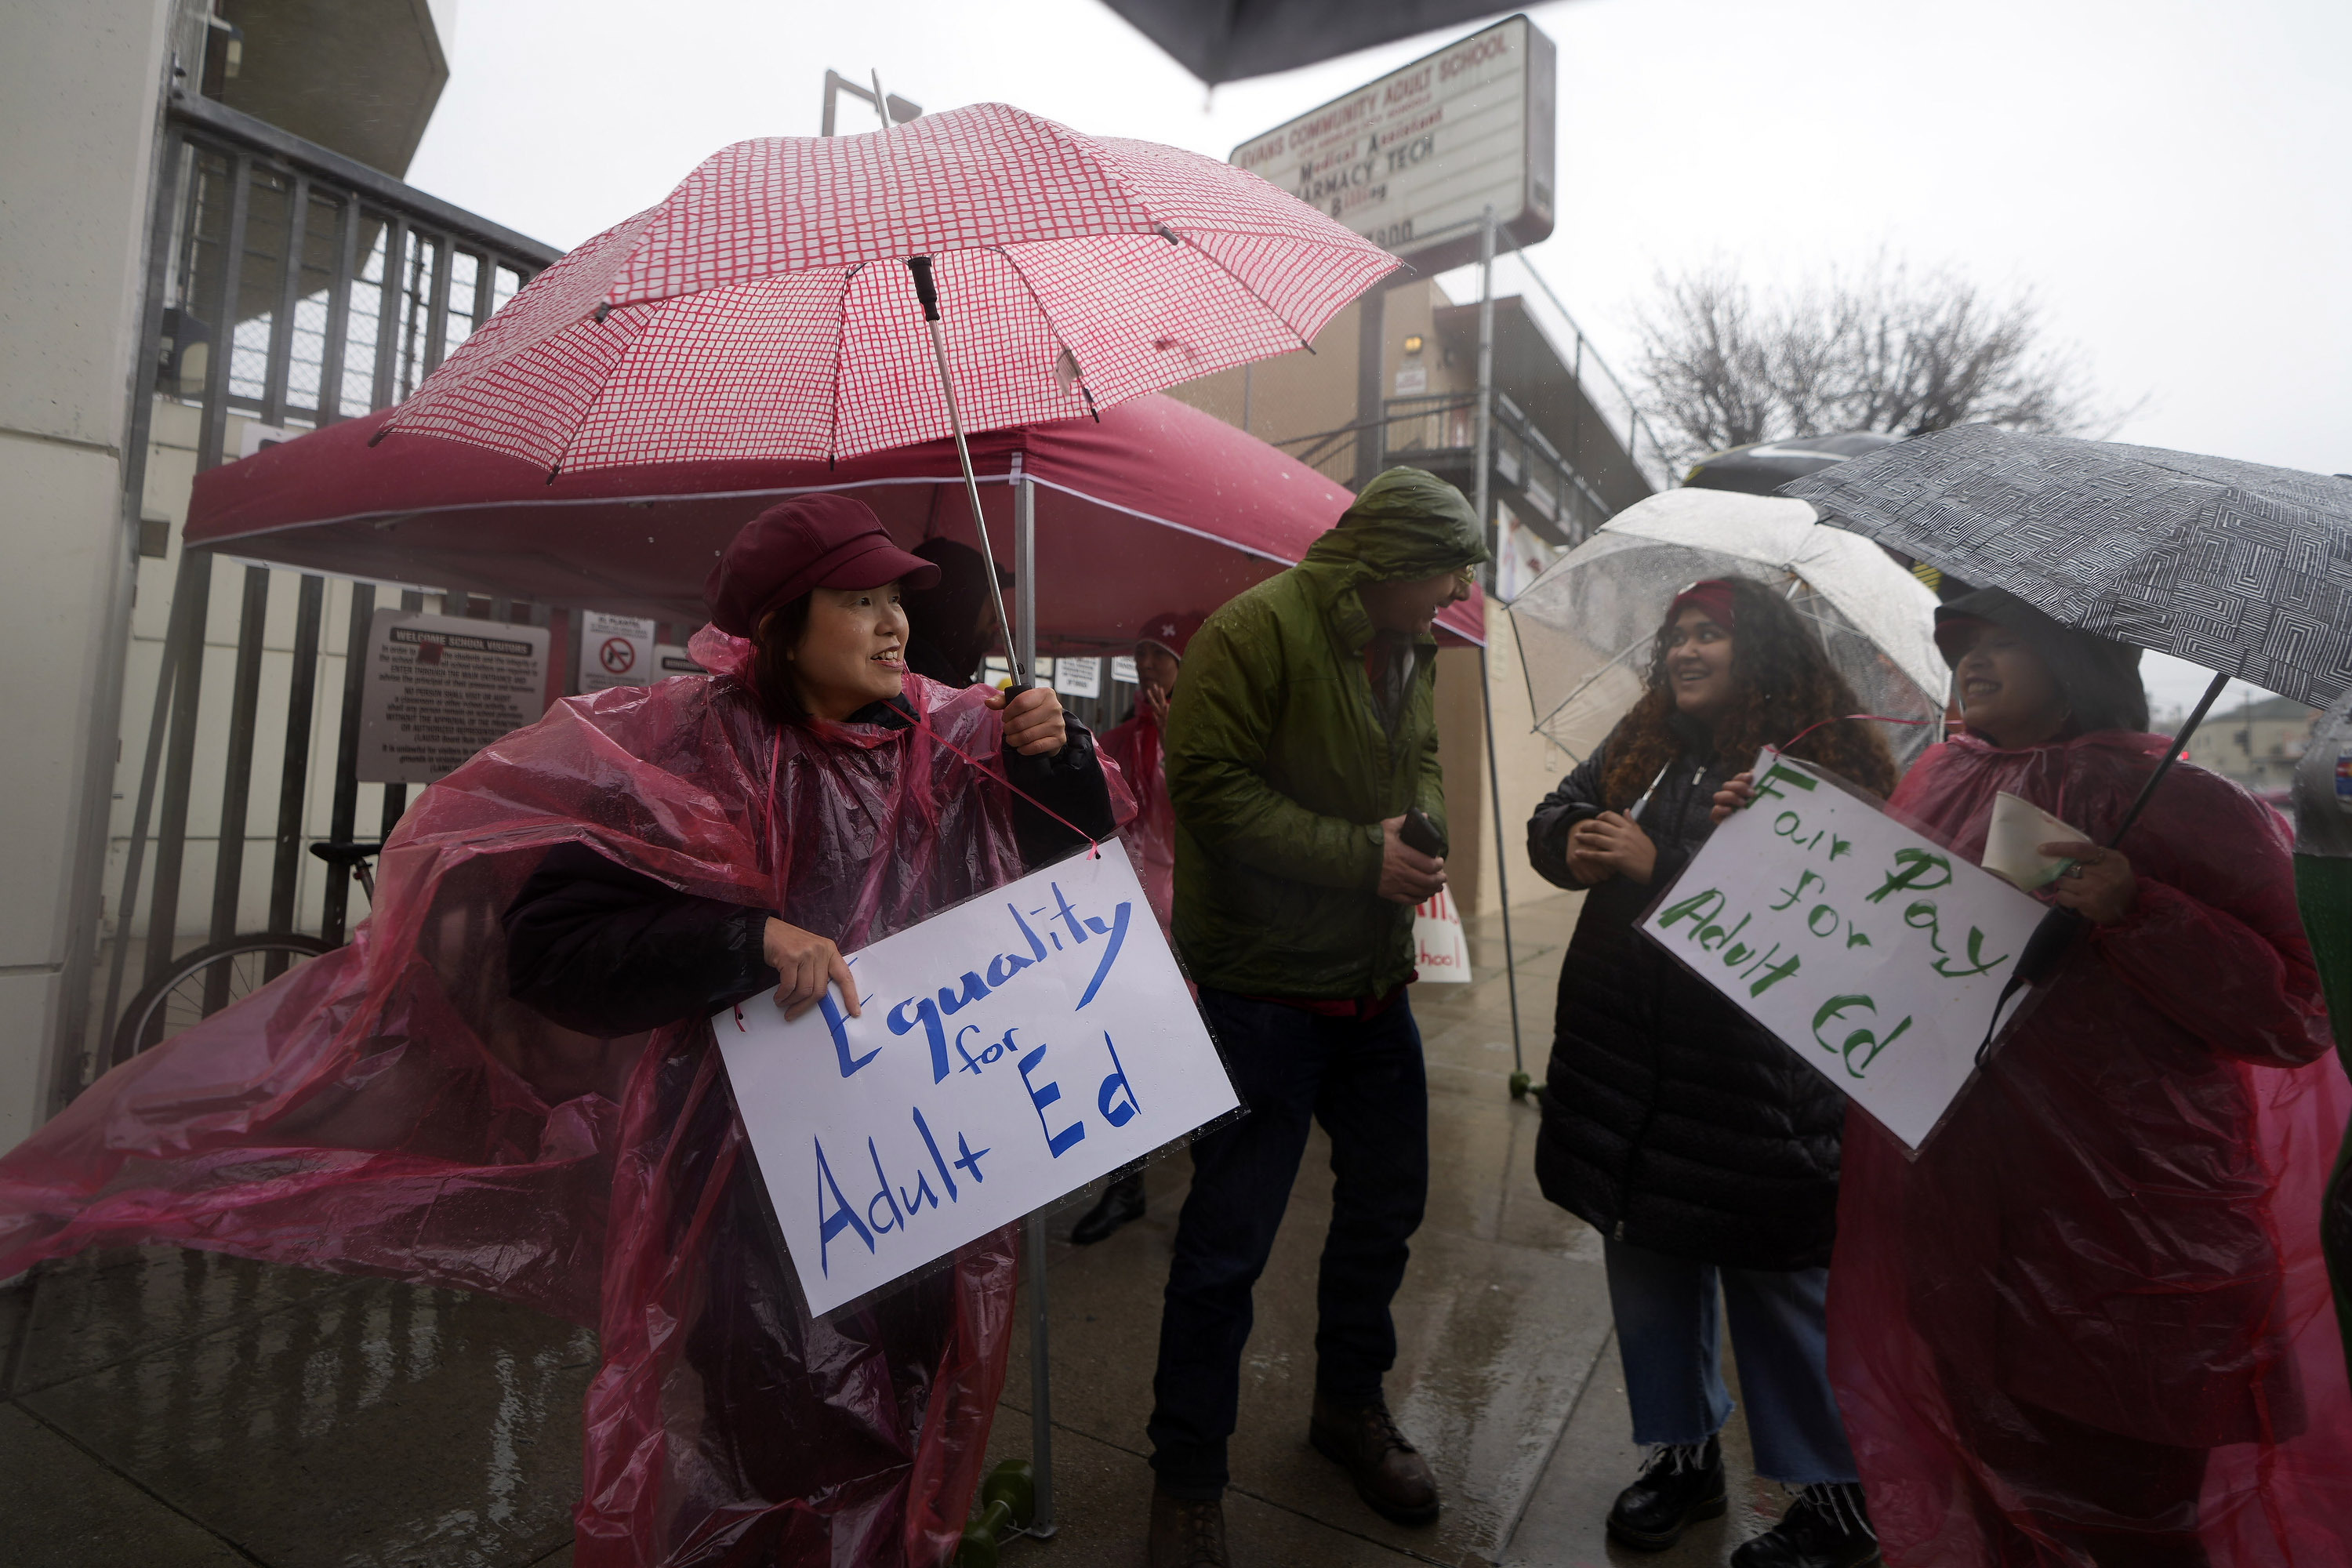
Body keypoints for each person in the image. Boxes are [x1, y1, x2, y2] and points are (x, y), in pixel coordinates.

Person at [0, 494, 1121, 1566]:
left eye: (898, 599)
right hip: (742, 1193)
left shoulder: (953, 738)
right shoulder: (677, 756)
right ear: (784, 627)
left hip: (925, 1163)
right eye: (861, 599)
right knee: (775, 1436)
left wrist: (1052, 758)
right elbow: (556, 956)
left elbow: (1063, 867)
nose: (894, 623)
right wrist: (744, 943)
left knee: (916, 1414)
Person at [1736, 587, 2350, 1565]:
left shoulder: (2190, 802)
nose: (1972, 662)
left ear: (2077, 657)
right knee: (1999, 1492)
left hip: (2136, 1239)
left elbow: (2295, 1008)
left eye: (2005, 640)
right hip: (1963, 1212)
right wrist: (1774, 836)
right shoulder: (1941, 777)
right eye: (1962, 643)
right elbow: (1876, 935)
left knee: (2134, 1517)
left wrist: (2137, 904)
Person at [1143, 468, 1485, 1568]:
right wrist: (1357, 855)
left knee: (1387, 1208)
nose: (1459, 586)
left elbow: (1420, 749)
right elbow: (1205, 786)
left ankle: (1348, 1409)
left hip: (1375, 985)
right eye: (1447, 566)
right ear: (1388, 562)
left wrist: (1420, 817)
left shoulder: (1410, 640)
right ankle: (1187, 1475)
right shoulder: (1253, 631)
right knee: (1226, 1245)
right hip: (1266, 997)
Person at [1526, 578, 1898, 1568]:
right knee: (1647, 1260)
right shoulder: (1643, 742)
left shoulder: (1822, 765)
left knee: (1776, 1286)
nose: (1685, 651)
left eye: (1710, 635)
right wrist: (1575, 841)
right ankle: (1683, 1456)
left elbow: (1823, 931)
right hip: (1626, 1066)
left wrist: (1665, 864)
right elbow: (1553, 814)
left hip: (1752, 1086)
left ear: (1762, 655)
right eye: (1677, 633)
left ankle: (1836, 1500)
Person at [1069, 608, 1204, 1248]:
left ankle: (1213, 1192)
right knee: (1124, 1051)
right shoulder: (1120, 737)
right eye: (1142, 650)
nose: (1149, 663)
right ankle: (1125, 1187)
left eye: (1163, 653)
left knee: (1202, 1057)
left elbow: (1218, 821)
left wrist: (1186, 748)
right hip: (1128, 922)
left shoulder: (1212, 737)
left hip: (1196, 925)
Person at [900, 535, 1013, 687]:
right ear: (963, 604)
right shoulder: (917, 685)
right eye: (991, 600)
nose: (997, 614)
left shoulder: (948, 675)